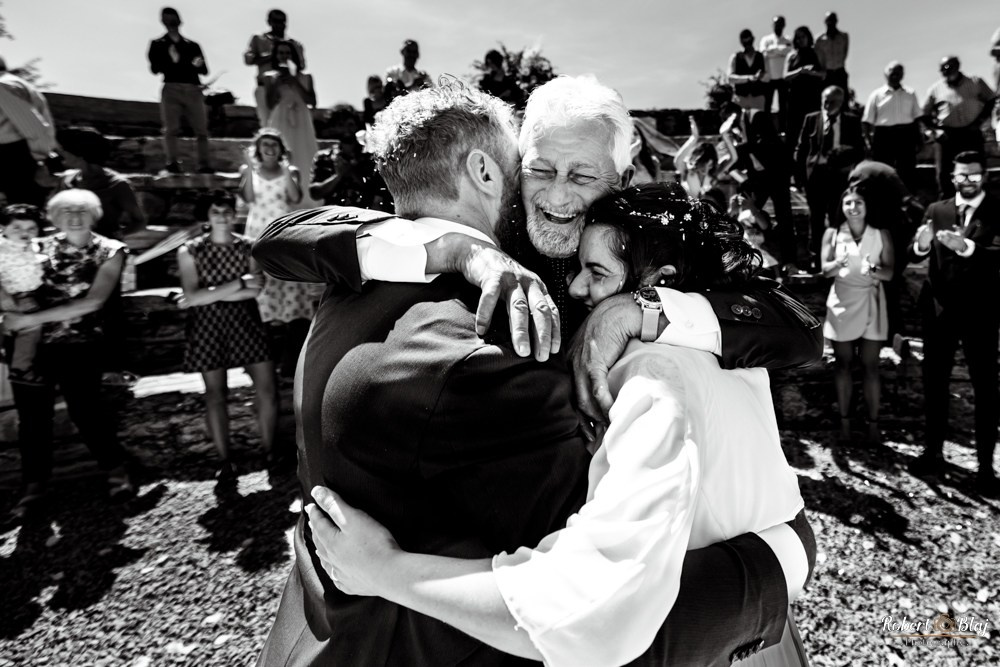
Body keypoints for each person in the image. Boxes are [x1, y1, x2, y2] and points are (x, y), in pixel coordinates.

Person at [252, 78, 821, 666]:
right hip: (544, 579)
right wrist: (455, 249)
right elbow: (282, 236)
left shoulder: (647, 244)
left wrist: (641, 310)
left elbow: (801, 325)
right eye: (541, 170)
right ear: (507, 169)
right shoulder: (493, 235)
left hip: (683, 531)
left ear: (621, 183)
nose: (557, 194)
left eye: (582, 176)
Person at [1, 189, 134, 525]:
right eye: (66, 210)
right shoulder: (36, 244)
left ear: (94, 213)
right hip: (30, 348)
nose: (74, 215)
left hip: (81, 345)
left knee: (86, 410)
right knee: (31, 418)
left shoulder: (110, 250)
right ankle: (34, 487)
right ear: (54, 216)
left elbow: (94, 302)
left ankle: (116, 471)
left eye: (82, 209)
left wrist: (27, 319)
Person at [909, 151, 1000, 497]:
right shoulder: (937, 209)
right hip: (938, 312)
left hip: (981, 313)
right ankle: (933, 453)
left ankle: (986, 468)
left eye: (974, 174)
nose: (968, 180)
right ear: (952, 175)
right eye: (962, 174)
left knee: (986, 390)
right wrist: (919, 246)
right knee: (934, 385)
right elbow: (917, 253)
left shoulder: (998, 210)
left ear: (984, 175)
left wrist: (967, 248)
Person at [176, 190, 278, 479]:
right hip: (207, 326)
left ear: (235, 214)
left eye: (227, 211)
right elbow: (191, 295)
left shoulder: (249, 247)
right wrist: (238, 284)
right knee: (215, 395)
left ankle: (269, 452)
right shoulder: (190, 250)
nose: (222, 216)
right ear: (206, 216)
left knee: (267, 388)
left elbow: (255, 290)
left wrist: (214, 294)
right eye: (215, 211)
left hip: (246, 322)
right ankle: (224, 460)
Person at [238, 128, 315, 377]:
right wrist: (249, 168)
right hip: (257, 232)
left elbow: (294, 198)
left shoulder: (289, 171)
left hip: (282, 233)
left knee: (289, 284)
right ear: (258, 149)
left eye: (274, 144)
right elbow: (248, 198)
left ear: (281, 148)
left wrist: (289, 169)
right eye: (265, 144)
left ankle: (290, 360)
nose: (269, 148)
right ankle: (264, 357)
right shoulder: (249, 171)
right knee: (262, 288)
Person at [820, 189, 893, 444]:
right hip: (842, 301)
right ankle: (845, 423)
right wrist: (837, 264)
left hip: (871, 300)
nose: (853, 207)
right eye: (848, 202)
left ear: (866, 205)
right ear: (841, 206)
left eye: (858, 202)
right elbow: (825, 271)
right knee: (843, 365)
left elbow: (889, 273)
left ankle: (873, 424)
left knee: (871, 366)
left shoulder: (880, 234)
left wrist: (874, 269)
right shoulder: (832, 233)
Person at [716, 92, 798, 271]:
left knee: (784, 218)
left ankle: (789, 261)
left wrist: (737, 145)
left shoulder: (756, 116)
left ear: (735, 113)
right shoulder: (734, 133)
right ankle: (752, 259)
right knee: (748, 213)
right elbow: (732, 162)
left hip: (776, 174)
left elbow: (767, 144)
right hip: (756, 179)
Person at [848, 160, 925, 341]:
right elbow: (913, 206)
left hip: (880, 236)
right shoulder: (881, 172)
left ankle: (885, 332)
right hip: (894, 234)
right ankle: (891, 332)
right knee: (889, 285)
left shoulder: (859, 176)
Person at [795, 86, 865, 268]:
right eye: (824, 101)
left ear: (841, 103)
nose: (827, 105)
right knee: (815, 219)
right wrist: (800, 178)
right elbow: (801, 150)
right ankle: (817, 259)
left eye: (832, 101)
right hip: (815, 177)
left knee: (838, 218)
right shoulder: (811, 119)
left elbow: (860, 150)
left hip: (840, 177)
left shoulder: (852, 121)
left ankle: (840, 257)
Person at [147, 7, 212, 174]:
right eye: (168, 21)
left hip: (193, 88)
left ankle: (204, 164)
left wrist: (198, 64)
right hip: (171, 87)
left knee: (201, 130)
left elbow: (204, 70)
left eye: (173, 21)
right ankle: (172, 163)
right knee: (171, 128)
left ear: (180, 21)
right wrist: (171, 61)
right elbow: (155, 69)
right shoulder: (158, 44)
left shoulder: (192, 45)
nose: (171, 24)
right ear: (163, 23)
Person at [55, 126, 146, 240]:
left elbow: (139, 221)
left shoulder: (116, 184)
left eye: (64, 151)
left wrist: (113, 239)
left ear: (80, 155)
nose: (60, 155)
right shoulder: (67, 181)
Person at [923, 57, 996, 198]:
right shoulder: (935, 89)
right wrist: (935, 131)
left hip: (971, 132)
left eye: (949, 67)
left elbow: (991, 100)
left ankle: (981, 202)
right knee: (944, 173)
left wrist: (980, 121)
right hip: (946, 136)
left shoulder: (976, 82)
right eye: (943, 69)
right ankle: (947, 203)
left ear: (957, 66)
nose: (946, 71)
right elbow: (924, 114)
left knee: (977, 167)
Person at [262, 40, 319, 208]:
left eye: (287, 53)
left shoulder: (305, 77)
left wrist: (295, 82)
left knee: (304, 153)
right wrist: (277, 84)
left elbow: (312, 101)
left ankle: (306, 200)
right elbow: (269, 103)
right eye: (281, 53)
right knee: (282, 156)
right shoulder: (269, 77)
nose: (284, 56)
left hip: (301, 119)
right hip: (280, 119)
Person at [0, 204, 46, 385]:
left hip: (31, 293)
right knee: (32, 325)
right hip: (11, 295)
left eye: (31, 228)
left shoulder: (35, 246)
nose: (24, 233)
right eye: (16, 228)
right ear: (3, 227)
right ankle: (20, 368)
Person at [0, 55, 55, 205]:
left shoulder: (3, 86)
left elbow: (33, 126)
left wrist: (39, 158)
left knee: (22, 210)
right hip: (18, 154)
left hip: (16, 156)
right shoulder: (15, 84)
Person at [862, 62, 922, 189]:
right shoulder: (876, 95)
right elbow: (867, 121)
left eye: (898, 72)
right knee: (883, 169)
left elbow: (917, 118)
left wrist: (919, 139)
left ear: (903, 75)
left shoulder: (910, 93)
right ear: (885, 74)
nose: (895, 75)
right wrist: (868, 141)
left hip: (906, 135)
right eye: (892, 72)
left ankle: (908, 201)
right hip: (884, 136)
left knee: (907, 170)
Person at [244, 9, 306, 129]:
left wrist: (288, 51)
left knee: (289, 126)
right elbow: (249, 60)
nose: (280, 25)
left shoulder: (294, 43)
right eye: (276, 21)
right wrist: (272, 54)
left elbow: (301, 66)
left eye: (282, 22)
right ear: (269, 22)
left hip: (287, 88)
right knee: (267, 123)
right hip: (265, 87)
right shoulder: (258, 38)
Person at [673, 116, 736, 200]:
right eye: (704, 163)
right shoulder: (686, 171)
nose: (706, 168)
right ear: (697, 160)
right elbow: (678, 160)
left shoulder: (712, 176)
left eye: (710, 165)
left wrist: (725, 136)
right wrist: (693, 138)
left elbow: (733, 158)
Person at [783, 26, 825, 150]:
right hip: (795, 98)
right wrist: (800, 71)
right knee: (794, 130)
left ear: (808, 37)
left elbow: (823, 74)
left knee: (813, 128)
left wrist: (811, 73)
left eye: (803, 37)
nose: (800, 40)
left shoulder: (816, 53)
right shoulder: (791, 56)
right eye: (798, 38)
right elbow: (785, 76)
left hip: (813, 96)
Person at [760, 15, 792, 131]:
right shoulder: (766, 39)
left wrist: (773, 50)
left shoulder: (788, 39)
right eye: (776, 24)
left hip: (783, 77)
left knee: (783, 105)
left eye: (780, 24)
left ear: (783, 25)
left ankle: (783, 129)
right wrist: (781, 50)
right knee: (767, 105)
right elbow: (764, 53)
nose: (778, 26)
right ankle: (767, 130)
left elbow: (790, 52)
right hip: (770, 77)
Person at [728, 29, 767, 110]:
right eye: (745, 41)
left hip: (758, 98)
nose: (747, 44)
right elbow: (730, 78)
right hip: (740, 98)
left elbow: (768, 76)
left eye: (749, 41)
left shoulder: (761, 56)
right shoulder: (735, 57)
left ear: (753, 39)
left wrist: (761, 76)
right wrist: (748, 78)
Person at [815, 11, 849, 92]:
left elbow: (845, 53)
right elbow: (818, 57)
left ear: (836, 21)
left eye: (832, 20)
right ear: (825, 22)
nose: (830, 23)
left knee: (842, 98)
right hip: (827, 74)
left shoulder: (844, 36)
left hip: (840, 72)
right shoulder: (819, 40)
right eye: (828, 21)